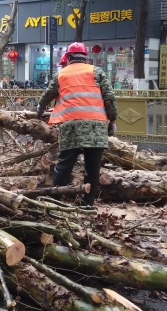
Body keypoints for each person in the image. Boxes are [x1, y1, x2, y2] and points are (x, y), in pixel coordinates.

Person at [36, 42, 117, 208]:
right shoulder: (97, 72)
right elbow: (109, 98)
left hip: (71, 126)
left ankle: (55, 202)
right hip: (96, 127)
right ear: (86, 57)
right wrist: (112, 121)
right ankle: (88, 203)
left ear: (69, 57)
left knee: (64, 166)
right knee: (92, 169)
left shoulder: (62, 74)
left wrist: (39, 109)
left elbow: (47, 96)